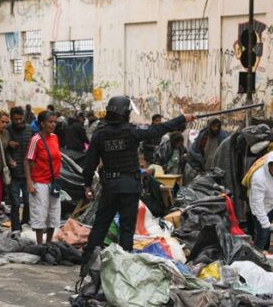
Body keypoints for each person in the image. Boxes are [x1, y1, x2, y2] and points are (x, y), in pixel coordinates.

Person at [81, 96, 196, 272]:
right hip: (129, 187)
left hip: (110, 187)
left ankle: (86, 266)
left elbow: (89, 164)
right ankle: (124, 269)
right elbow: (159, 129)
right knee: (127, 230)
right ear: (125, 113)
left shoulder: (99, 135)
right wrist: (182, 119)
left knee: (100, 226)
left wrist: (87, 185)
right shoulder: (132, 132)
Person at [25, 110, 61, 245]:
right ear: (42, 123)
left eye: (55, 122)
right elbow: (27, 161)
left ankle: (49, 243)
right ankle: (40, 244)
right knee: (40, 214)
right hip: (39, 182)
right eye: (50, 122)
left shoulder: (55, 138)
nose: (53, 125)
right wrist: (29, 182)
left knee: (53, 214)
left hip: (54, 182)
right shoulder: (36, 140)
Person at [7, 106, 33, 232]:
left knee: (28, 202)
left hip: (28, 174)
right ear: (11, 118)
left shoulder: (29, 129)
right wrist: (9, 158)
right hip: (13, 174)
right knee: (15, 203)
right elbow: (1, 148)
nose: (18, 121)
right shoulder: (7, 130)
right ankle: (16, 228)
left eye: (20, 119)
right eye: (15, 119)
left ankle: (25, 223)